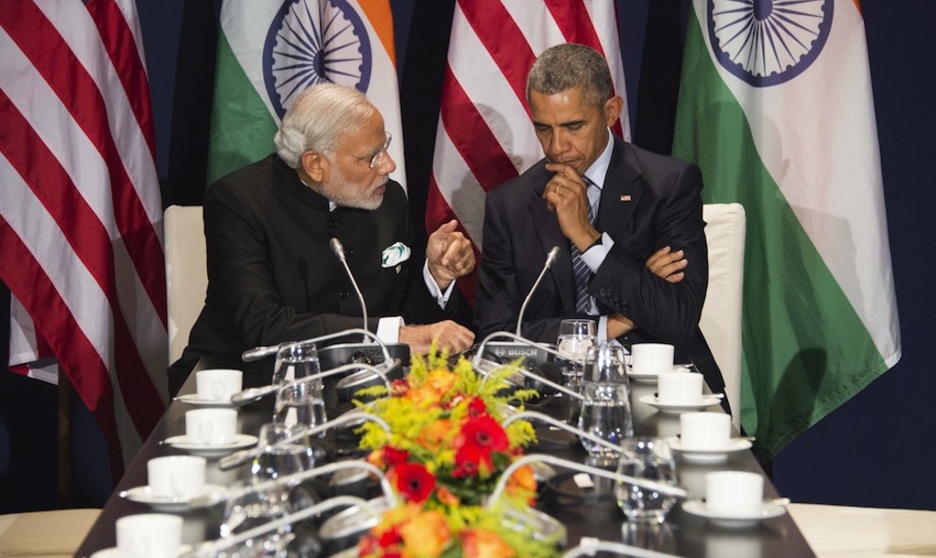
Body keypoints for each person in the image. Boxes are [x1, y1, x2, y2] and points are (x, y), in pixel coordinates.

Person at [170, 84, 475, 394]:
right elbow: (261, 325)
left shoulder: (389, 200)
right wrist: (394, 333)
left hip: (359, 389)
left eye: (385, 147)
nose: (389, 165)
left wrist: (436, 277)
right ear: (315, 164)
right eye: (371, 157)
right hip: (238, 386)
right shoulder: (239, 201)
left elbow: (409, 325)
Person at [474, 43, 727, 409]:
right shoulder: (509, 204)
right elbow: (496, 337)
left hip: (660, 389)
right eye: (543, 129)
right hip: (547, 397)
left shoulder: (669, 184)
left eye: (573, 126)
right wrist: (612, 323)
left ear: (610, 111)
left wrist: (589, 240)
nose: (557, 147)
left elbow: (677, 318)